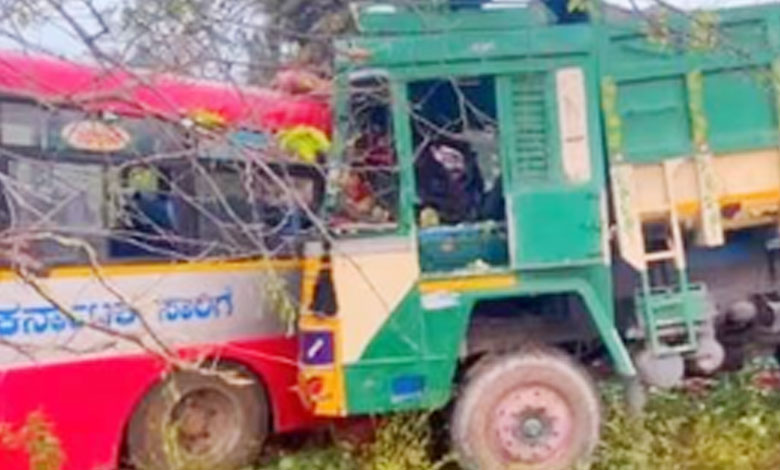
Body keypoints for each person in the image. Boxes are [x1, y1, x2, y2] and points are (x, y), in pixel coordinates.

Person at [415, 136, 484, 225]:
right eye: (449, 158)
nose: (455, 166)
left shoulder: (472, 180)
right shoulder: (426, 176)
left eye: (455, 159)